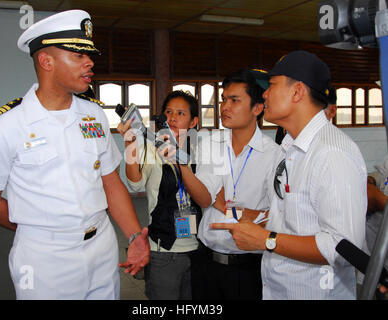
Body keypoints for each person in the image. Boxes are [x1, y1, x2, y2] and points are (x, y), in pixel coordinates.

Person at [0, 10, 149, 300]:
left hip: (102, 247)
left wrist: (133, 236)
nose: (89, 62)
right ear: (46, 61)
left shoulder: (93, 115)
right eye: (78, 55)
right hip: (43, 260)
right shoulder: (5, 126)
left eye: (89, 54)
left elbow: (111, 182)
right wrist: (40, 229)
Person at [211, 50, 367, 299]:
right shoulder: (291, 149)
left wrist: (267, 240)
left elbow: (343, 247)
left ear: (297, 92)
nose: (264, 94)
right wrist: (249, 222)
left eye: (271, 85)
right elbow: (288, 220)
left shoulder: (331, 153)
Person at [177, 68, 279, 300]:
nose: (224, 107)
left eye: (234, 100)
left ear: (257, 108)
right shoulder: (211, 144)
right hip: (207, 263)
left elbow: (273, 219)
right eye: (224, 100)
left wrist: (228, 208)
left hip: (249, 267)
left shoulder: (274, 155)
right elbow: (204, 198)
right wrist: (181, 164)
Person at [117, 90, 201, 300]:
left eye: (181, 113)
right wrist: (130, 144)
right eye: (168, 112)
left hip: (201, 249)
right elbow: (135, 185)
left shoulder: (203, 152)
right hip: (163, 249)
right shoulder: (152, 148)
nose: (172, 117)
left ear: (193, 122)